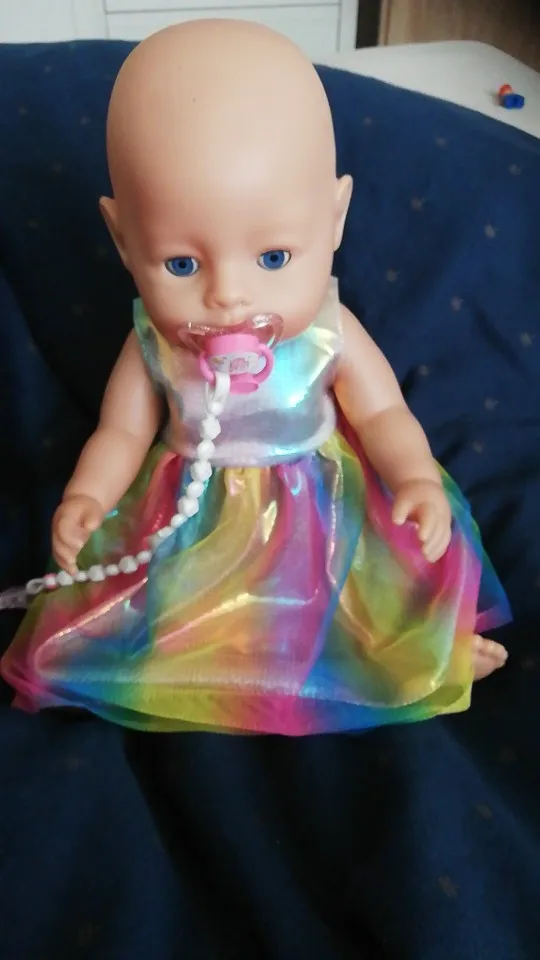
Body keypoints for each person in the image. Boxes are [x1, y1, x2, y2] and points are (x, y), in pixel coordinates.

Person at [0, 19, 510, 734]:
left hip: (324, 511)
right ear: (123, 240)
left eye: (273, 258)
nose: (229, 297)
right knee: (166, 618)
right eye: (182, 264)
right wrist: (88, 496)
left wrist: (416, 478)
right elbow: (121, 432)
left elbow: (382, 414)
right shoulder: (154, 343)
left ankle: (429, 655)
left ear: (334, 218)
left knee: (374, 596)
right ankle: (210, 672)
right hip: (195, 517)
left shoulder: (330, 329)